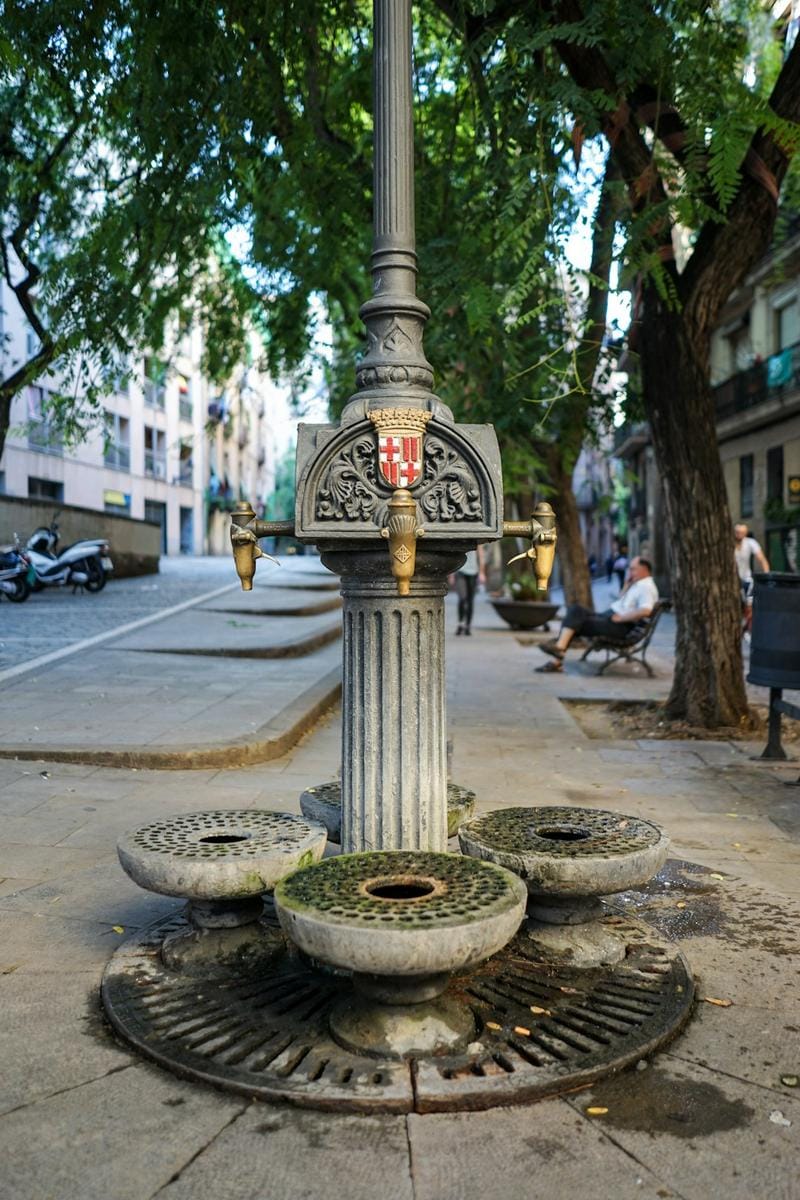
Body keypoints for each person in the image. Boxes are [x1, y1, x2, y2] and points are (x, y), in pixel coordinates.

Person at [535, 556, 658, 673]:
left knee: (574, 622)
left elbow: (646, 610)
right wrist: (626, 586)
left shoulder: (646, 587)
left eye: (633, 569)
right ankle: (559, 649)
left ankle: (558, 656)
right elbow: (622, 601)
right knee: (575, 610)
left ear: (644, 569)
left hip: (620, 626)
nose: (630, 571)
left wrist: (622, 618)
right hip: (610, 618)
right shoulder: (638, 584)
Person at [734, 523, 769, 636]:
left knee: (750, 603)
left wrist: (767, 575)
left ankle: (746, 626)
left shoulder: (750, 543)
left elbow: (761, 559)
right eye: (737, 532)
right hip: (732, 580)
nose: (739, 535)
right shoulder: (728, 544)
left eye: (742, 532)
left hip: (746, 578)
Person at [454, 545, 486, 636]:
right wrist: (451, 574)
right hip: (460, 571)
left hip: (473, 572)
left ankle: (468, 625)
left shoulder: (477, 538)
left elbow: (481, 555)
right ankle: (460, 623)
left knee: (470, 600)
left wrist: (482, 572)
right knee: (462, 598)